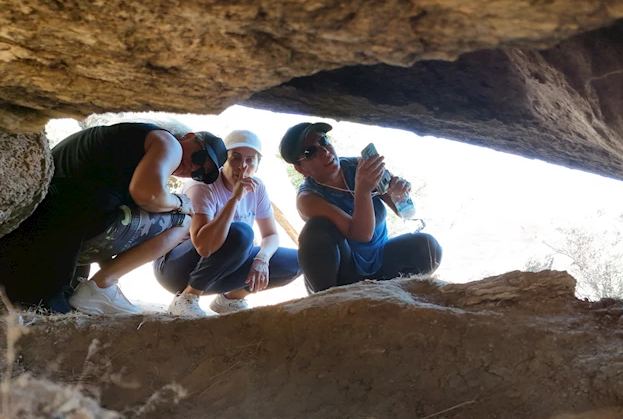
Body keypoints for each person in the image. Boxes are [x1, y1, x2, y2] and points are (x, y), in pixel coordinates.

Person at [0, 121, 227, 314]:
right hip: (66, 222)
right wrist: (181, 203)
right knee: (183, 220)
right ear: (188, 137)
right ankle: (102, 286)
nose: (193, 167)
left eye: (200, 173)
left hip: (40, 225)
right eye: (199, 156)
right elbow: (149, 195)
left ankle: (98, 287)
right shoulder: (168, 142)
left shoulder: (127, 144)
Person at [279, 122, 442, 292]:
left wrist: (399, 194)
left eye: (324, 141)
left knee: (429, 247)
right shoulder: (308, 198)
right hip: (344, 273)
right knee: (315, 230)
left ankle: (394, 295)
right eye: (310, 152)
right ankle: (328, 302)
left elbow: (405, 212)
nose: (325, 152)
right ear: (300, 169)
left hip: (381, 260)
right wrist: (362, 190)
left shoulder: (358, 166)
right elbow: (361, 234)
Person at [154, 130, 301, 317]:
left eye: (250, 160)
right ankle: (187, 298)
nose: (243, 167)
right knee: (242, 233)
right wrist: (235, 200)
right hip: (174, 267)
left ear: (257, 165)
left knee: (296, 262)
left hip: (220, 268)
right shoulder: (202, 186)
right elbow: (203, 247)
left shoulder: (257, 187)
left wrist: (261, 260)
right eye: (236, 158)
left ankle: (230, 300)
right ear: (224, 160)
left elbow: (271, 235)